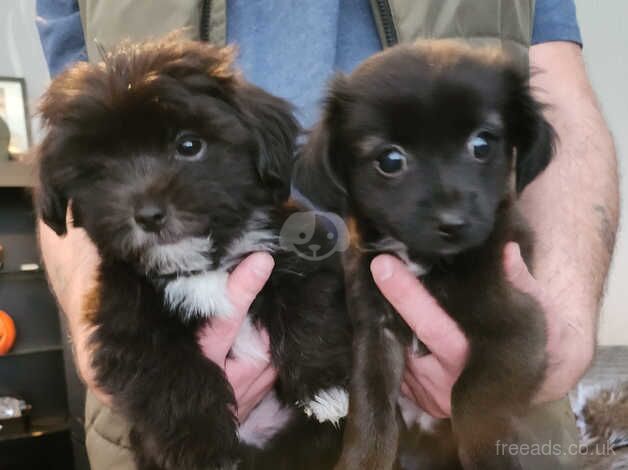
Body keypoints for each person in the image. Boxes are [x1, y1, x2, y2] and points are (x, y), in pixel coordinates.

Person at [35, 1, 618, 468]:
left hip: (478, 403)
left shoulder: (293, 233)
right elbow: (71, 130)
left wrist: (562, 322)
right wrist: (133, 367)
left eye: (187, 148)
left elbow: (559, 96)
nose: (147, 196)